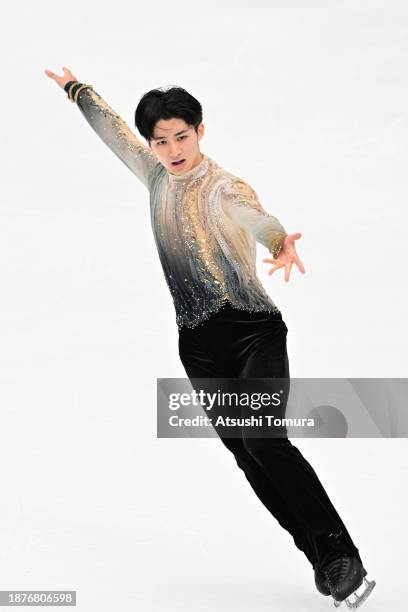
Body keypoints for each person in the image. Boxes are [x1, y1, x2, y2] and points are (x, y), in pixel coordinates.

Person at [44, 67, 376, 607]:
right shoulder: (154, 176)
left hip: (253, 332)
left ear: (200, 131)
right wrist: (77, 91)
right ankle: (320, 556)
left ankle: (341, 556)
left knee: (265, 439)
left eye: (182, 135)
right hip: (197, 342)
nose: (173, 149)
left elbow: (256, 216)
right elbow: (113, 133)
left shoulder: (223, 186)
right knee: (247, 454)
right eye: (161, 140)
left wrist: (277, 243)